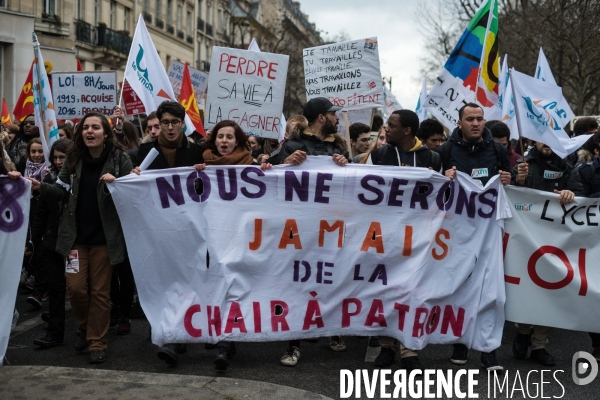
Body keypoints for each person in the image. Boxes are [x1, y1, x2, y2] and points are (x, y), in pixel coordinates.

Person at [15, 112, 133, 364]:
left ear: (105, 133)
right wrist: (38, 187)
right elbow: (59, 191)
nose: (90, 131)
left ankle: (97, 343)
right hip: (75, 240)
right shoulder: (72, 159)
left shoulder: (118, 157)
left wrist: (118, 183)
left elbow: (132, 192)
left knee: (100, 293)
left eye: (95, 127)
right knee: (77, 290)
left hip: (104, 240)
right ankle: (85, 327)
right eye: (85, 128)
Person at [360, 110, 441, 373]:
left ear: (407, 131)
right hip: (384, 234)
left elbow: (442, 196)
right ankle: (386, 346)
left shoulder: (431, 158)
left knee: (413, 290)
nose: (386, 128)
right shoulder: (380, 155)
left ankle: (409, 348)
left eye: (392, 125)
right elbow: (363, 185)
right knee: (384, 289)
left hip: (417, 237)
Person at [437, 102, 510, 371]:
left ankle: (488, 349)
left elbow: (509, 183)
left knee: (491, 290)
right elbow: (435, 189)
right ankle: (460, 340)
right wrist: (443, 177)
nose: (476, 123)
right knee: (460, 284)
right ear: (459, 123)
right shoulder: (446, 150)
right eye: (470, 119)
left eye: (480, 118)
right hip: (458, 231)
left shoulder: (498, 149)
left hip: (489, 229)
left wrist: (511, 179)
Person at [134, 101, 205, 367]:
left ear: (183, 123)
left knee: (186, 281)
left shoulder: (197, 152)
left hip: (188, 228)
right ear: (159, 124)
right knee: (164, 282)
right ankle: (170, 332)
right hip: (157, 229)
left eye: (175, 122)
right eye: (165, 122)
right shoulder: (143, 152)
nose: (170, 127)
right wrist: (132, 176)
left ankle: (177, 335)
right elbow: (133, 187)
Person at [30, 138, 73, 347]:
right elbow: (41, 214)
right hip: (52, 244)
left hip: (74, 246)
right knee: (56, 289)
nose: (58, 161)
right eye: (55, 157)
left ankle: (85, 331)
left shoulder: (77, 181)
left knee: (77, 290)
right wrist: (34, 241)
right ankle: (54, 333)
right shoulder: (48, 181)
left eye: (62, 157)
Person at [271, 97, 349, 166]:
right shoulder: (291, 147)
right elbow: (276, 176)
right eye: (333, 114)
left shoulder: (339, 148)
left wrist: (346, 164)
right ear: (321, 118)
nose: (337, 118)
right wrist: (285, 162)